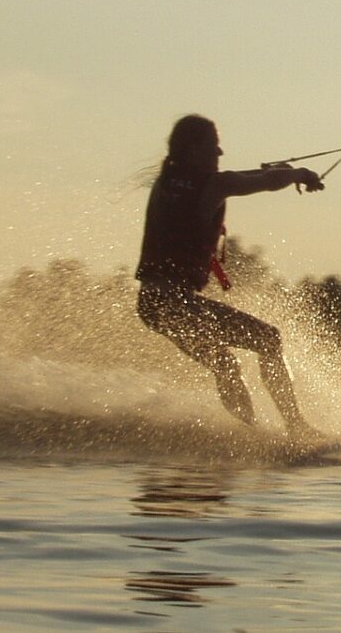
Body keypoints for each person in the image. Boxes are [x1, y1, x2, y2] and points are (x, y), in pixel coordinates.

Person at [136, 114, 325, 437]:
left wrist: (275, 172)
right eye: (213, 147)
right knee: (269, 339)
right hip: (174, 302)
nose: (219, 154)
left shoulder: (165, 181)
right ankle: (297, 427)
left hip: (152, 304)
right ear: (192, 149)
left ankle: (248, 435)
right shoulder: (213, 185)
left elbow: (242, 178)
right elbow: (251, 182)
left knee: (225, 365)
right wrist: (300, 173)